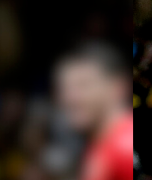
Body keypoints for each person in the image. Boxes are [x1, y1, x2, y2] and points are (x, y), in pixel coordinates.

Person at [55, 42, 134, 180]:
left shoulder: (122, 150)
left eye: (83, 85)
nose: (69, 98)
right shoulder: (101, 145)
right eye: (65, 88)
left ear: (117, 87)